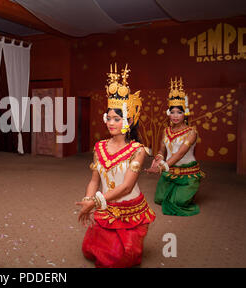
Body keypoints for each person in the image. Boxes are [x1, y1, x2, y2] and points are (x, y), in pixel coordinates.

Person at [76, 64, 155, 268]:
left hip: (128, 207)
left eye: (116, 119)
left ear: (128, 120)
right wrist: (87, 200)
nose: (111, 123)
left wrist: (93, 203)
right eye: (108, 118)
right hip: (105, 206)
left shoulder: (138, 150)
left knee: (119, 259)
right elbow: (94, 180)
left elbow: (126, 187)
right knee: (91, 250)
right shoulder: (99, 147)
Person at [146, 77, 204, 216]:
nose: (175, 116)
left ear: (185, 113)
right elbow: (162, 149)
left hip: (187, 173)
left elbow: (180, 154)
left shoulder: (191, 132)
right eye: (172, 112)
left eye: (179, 112)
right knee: (159, 199)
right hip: (170, 172)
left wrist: (160, 167)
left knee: (176, 203)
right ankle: (180, 191)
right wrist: (159, 157)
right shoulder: (166, 131)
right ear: (168, 113)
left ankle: (189, 190)